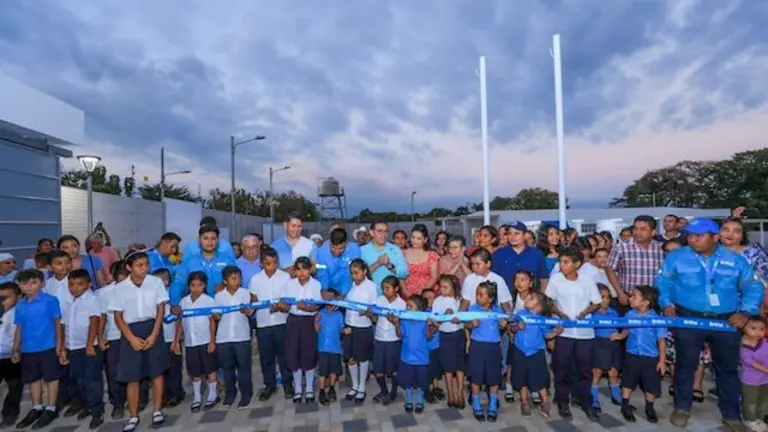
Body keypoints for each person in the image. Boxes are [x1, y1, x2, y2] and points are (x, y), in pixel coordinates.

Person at [656, 218, 764, 430]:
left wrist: (745, 312)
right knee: (685, 365)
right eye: (690, 234)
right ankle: (682, 407)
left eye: (700, 235)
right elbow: (663, 282)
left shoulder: (735, 260)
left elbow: (753, 287)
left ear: (715, 237)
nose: (693, 239)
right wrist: (666, 303)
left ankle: (731, 414)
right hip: (688, 317)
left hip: (726, 320)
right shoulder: (677, 257)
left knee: (727, 369)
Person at [108, 252, 170, 431]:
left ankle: (157, 411)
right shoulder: (120, 288)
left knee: (156, 372)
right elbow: (118, 316)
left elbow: (160, 310)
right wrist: (131, 338)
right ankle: (133, 416)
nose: (144, 269)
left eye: (146, 265)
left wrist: (154, 334)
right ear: (129, 267)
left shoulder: (155, 283)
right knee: (132, 376)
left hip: (152, 328)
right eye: (139, 265)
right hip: (131, 331)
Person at [545, 246, 602, 422]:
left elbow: (597, 302)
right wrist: (559, 313)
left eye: (566, 262)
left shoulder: (587, 280)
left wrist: (585, 312)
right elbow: (548, 302)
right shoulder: (555, 280)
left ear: (577, 264)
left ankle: (585, 401)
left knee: (585, 370)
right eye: (561, 262)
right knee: (562, 368)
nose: (562, 265)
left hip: (585, 333)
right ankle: (563, 401)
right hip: (564, 333)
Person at [12, 269, 62, 429]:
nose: (29, 287)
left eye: (33, 282)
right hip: (28, 348)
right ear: (19, 286)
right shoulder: (20, 305)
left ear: (42, 283)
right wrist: (15, 348)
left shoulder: (50, 300)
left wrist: (60, 345)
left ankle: (51, 407)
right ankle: (36, 407)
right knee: (33, 378)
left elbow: (58, 323)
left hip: (47, 345)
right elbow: (19, 327)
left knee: (51, 377)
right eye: (25, 283)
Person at [59, 268, 104, 429]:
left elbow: (94, 321)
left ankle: (98, 410)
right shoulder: (68, 301)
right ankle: (87, 405)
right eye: (71, 284)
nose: (75, 288)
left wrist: (90, 344)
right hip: (73, 346)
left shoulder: (91, 299)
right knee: (79, 377)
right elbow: (64, 324)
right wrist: (63, 347)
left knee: (92, 379)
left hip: (89, 347)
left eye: (79, 284)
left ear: (88, 284)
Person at [616, 285, 667, 424]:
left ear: (645, 302)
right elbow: (626, 330)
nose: (630, 298)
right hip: (632, 354)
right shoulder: (629, 314)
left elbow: (661, 341)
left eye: (634, 296)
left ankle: (650, 408)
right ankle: (625, 406)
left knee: (650, 384)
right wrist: (620, 336)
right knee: (628, 380)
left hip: (650, 357)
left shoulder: (657, 319)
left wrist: (662, 361)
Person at [249, 248, 292, 401]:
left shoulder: (285, 277)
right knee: (266, 357)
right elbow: (254, 300)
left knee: (284, 356)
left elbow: (289, 299)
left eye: (274, 263)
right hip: (263, 323)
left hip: (282, 322)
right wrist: (250, 308)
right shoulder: (255, 279)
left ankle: (288, 384)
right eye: (267, 263)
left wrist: (281, 306)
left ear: (278, 262)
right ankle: (269, 385)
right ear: (261, 264)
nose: (271, 267)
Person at [510, 291, 561, 419]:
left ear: (538, 307)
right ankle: (524, 401)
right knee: (521, 378)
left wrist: (556, 332)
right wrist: (518, 327)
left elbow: (546, 335)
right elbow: (512, 328)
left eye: (531, 298)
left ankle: (544, 403)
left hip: (536, 353)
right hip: (520, 352)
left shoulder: (542, 320)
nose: (527, 298)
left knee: (540, 378)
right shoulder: (521, 314)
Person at [175, 272, 219, 412]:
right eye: (193, 285)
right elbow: (180, 323)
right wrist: (176, 340)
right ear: (189, 286)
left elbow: (212, 322)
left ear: (204, 286)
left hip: (205, 340)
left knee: (210, 369)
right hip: (190, 342)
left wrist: (212, 341)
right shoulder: (184, 302)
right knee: (194, 372)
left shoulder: (209, 301)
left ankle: (213, 395)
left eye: (200, 285)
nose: (196, 288)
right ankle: (197, 397)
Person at [281, 257, 322, 403]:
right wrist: (280, 306)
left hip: (308, 322)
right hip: (293, 321)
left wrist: (306, 308)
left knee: (308, 354)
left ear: (311, 269)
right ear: (295, 270)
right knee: (294, 354)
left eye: (305, 269)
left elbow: (317, 305)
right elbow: (285, 303)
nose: (302, 272)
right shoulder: (289, 284)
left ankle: (309, 388)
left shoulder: (316, 284)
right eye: (299, 269)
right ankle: (298, 389)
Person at [466, 281, 508, 422]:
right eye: (477, 294)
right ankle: (476, 404)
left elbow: (503, 325)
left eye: (481, 295)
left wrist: (503, 325)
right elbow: (465, 323)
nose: (478, 297)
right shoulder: (472, 309)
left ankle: (492, 405)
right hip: (477, 346)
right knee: (476, 376)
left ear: (490, 298)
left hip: (493, 348)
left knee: (494, 377)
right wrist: (471, 324)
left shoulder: (497, 311)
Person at [606, 215, 664, 312]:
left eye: (643, 229)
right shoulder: (620, 247)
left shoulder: (661, 248)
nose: (637, 232)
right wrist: (620, 293)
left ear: (653, 232)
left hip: (653, 301)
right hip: (628, 299)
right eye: (635, 228)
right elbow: (609, 268)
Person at [170, 225, 236, 310]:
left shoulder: (228, 260)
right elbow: (178, 283)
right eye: (206, 238)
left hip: (223, 308)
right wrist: (174, 304)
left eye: (213, 238)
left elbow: (236, 281)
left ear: (218, 240)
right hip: (196, 310)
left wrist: (226, 286)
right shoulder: (189, 261)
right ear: (199, 240)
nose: (210, 242)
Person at [214, 266, 253, 409]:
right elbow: (216, 315)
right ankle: (230, 393)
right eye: (233, 278)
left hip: (241, 336)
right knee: (226, 367)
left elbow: (250, 311)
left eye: (239, 277)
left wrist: (247, 310)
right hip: (223, 338)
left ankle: (246, 394)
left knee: (244, 367)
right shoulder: (219, 296)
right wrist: (216, 315)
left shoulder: (245, 293)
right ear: (225, 281)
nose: (237, 280)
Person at [98, 261, 131, 420]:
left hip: (134, 335)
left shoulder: (137, 290)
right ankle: (117, 403)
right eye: (122, 275)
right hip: (113, 336)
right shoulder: (104, 293)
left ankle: (139, 399)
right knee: (113, 371)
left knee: (136, 369)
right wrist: (100, 336)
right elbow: (102, 317)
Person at [391, 295, 434, 415]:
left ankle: (420, 400)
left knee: (421, 381)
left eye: (410, 306)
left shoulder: (424, 320)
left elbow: (429, 337)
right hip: (407, 358)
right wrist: (397, 324)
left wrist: (429, 325)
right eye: (407, 306)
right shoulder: (404, 320)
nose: (407, 308)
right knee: (407, 381)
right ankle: (409, 400)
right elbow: (400, 335)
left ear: (419, 308)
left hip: (422, 358)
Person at [343, 259, 377, 403]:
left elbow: (373, 308)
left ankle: (362, 386)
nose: (354, 276)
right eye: (352, 273)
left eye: (357, 273)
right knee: (351, 358)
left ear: (364, 271)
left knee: (362, 358)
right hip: (350, 324)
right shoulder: (351, 286)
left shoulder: (371, 286)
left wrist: (366, 312)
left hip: (363, 326)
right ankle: (355, 385)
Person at [430, 275, 465, 409]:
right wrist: (445, 315)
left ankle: (460, 394)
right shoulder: (438, 301)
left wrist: (457, 317)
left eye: (446, 287)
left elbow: (464, 318)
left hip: (459, 335)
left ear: (454, 287)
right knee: (448, 367)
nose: (442, 289)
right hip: (445, 335)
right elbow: (435, 319)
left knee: (460, 366)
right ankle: (450, 394)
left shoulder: (460, 301)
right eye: (441, 287)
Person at [371, 276, 406, 405]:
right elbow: (375, 320)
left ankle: (393, 392)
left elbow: (402, 324)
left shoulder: (402, 304)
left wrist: (395, 322)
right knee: (378, 369)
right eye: (383, 288)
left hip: (394, 340)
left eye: (388, 288)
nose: (385, 291)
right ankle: (384, 391)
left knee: (394, 369)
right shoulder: (379, 300)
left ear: (396, 288)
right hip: (379, 338)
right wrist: (371, 315)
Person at [590, 284, 623, 411]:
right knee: (597, 372)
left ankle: (616, 396)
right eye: (602, 297)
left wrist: (618, 335)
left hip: (613, 345)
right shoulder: (592, 314)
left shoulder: (613, 312)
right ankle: (594, 397)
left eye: (608, 297)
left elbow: (619, 326)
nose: (606, 300)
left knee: (614, 372)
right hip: (599, 345)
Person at [492, 221, 549, 293]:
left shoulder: (537, 254)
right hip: (505, 300)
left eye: (517, 233)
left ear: (524, 235)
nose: (513, 237)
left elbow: (543, 279)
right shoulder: (498, 254)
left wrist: (541, 297)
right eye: (510, 234)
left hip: (531, 299)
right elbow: (493, 279)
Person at [361, 221, 409, 296]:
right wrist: (377, 264)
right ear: (371, 232)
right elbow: (358, 276)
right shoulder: (362, 251)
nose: (383, 234)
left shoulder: (395, 249)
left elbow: (404, 273)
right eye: (379, 231)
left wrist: (390, 266)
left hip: (391, 299)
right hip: (369, 297)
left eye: (385, 231)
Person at [315, 289, 344, 405]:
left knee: (333, 370)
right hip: (322, 347)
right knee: (323, 371)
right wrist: (315, 322)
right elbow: (317, 330)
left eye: (333, 297)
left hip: (335, 348)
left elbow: (341, 329)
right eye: (328, 297)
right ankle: (322, 390)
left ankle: (332, 388)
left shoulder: (339, 314)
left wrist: (345, 331)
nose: (330, 300)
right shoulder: (320, 313)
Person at [739, 318, 768, 431]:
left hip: (765, 379)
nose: (758, 332)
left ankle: (760, 418)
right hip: (751, 380)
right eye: (753, 328)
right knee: (751, 401)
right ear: (744, 328)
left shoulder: (764, 342)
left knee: (764, 400)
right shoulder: (743, 346)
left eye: (762, 329)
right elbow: (752, 364)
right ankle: (750, 419)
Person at [315, 228, 362, 297]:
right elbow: (322, 273)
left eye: (341, 248)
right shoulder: (321, 251)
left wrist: (343, 293)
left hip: (349, 288)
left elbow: (349, 274)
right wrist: (324, 290)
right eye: (333, 248)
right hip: (329, 287)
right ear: (329, 242)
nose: (336, 252)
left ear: (346, 243)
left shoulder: (355, 250)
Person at [0, 282, 21, 427]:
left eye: (7, 297)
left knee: (15, 386)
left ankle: (10, 413)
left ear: (18, 297)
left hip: (12, 356)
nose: (3, 301)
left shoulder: (20, 312)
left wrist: (17, 350)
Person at [403, 224, 440, 297]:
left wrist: (422, 292)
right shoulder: (403, 253)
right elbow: (400, 275)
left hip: (427, 294)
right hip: (407, 293)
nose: (415, 241)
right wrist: (405, 291)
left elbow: (435, 277)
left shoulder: (432, 255)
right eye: (413, 237)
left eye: (419, 238)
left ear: (425, 240)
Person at [421, 288, 442, 403]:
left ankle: (436, 387)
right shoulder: (421, 314)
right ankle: (426, 390)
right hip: (425, 347)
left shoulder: (437, 312)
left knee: (435, 368)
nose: (430, 300)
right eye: (427, 298)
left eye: (433, 298)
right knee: (426, 370)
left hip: (436, 345)